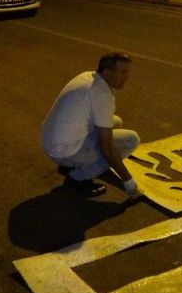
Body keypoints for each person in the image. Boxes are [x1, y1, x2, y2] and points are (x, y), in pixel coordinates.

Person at [41, 52, 141, 198]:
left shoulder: (88, 76)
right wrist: (128, 182)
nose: (127, 76)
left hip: (50, 140)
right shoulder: (101, 94)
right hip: (63, 150)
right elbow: (106, 146)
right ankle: (77, 178)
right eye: (123, 72)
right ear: (107, 73)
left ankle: (68, 166)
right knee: (132, 140)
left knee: (116, 121)